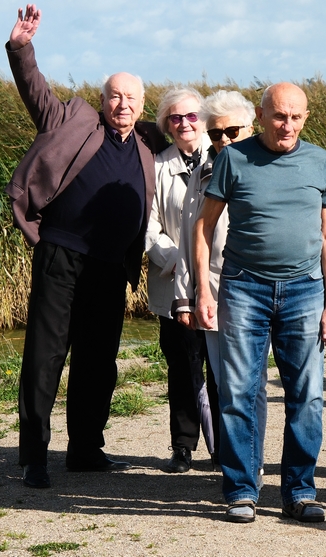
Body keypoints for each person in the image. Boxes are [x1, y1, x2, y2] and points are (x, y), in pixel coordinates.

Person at [6, 4, 168, 489]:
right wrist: (21, 47)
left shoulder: (146, 143)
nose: (123, 104)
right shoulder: (72, 119)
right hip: (61, 254)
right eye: (115, 96)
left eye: (132, 98)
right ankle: (34, 454)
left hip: (109, 266)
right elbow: (35, 91)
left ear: (142, 104)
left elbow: (189, 131)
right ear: (102, 100)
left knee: (99, 358)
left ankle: (84, 450)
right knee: (44, 355)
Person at [194, 82, 326, 524]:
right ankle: (241, 489)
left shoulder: (319, 160)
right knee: (238, 391)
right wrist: (204, 289)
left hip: (305, 289)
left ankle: (300, 490)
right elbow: (204, 229)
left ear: (306, 117)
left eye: (296, 116)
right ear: (261, 117)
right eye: (280, 116)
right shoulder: (233, 159)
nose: (288, 125)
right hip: (243, 288)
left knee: (307, 396)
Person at [172, 90, 259, 474]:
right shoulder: (203, 174)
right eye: (216, 134)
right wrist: (185, 299)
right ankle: (241, 464)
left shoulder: (271, 168)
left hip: (264, 292)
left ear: (250, 128)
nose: (223, 140)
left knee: (258, 385)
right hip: (215, 293)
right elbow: (192, 239)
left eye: (232, 131)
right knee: (226, 385)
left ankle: (251, 461)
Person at [145, 87, 214, 473]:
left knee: (222, 368)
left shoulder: (224, 158)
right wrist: (177, 258)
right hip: (172, 281)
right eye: (176, 118)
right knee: (181, 366)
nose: (185, 123)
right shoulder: (157, 166)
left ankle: (224, 447)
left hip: (219, 283)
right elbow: (149, 225)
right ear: (166, 124)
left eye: (192, 116)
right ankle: (183, 446)